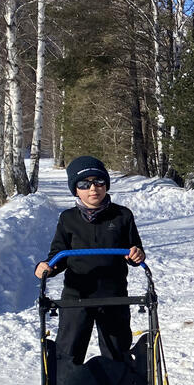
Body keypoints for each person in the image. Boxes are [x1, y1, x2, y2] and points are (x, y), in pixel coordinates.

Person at [34, 156, 146, 364]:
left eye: (99, 182)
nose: (93, 188)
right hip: (77, 294)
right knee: (68, 351)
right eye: (85, 184)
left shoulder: (122, 216)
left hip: (114, 295)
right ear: (76, 189)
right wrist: (46, 268)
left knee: (117, 351)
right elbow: (59, 255)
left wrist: (136, 255)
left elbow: (135, 251)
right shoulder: (68, 219)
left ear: (106, 185)